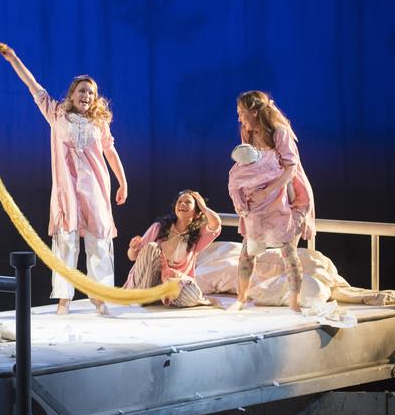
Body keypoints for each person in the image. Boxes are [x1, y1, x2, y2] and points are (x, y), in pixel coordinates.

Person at [0, 47, 128, 315]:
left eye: (91, 93)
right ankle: (64, 298)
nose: (86, 96)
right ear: (72, 94)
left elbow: (110, 151)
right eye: (82, 91)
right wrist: (13, 59)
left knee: (99, 239)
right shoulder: (57, 113)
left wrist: (122, 182)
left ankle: (100, 296)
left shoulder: (99, 123)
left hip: (95, 186)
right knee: (66, 240)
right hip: (66, 188)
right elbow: (34, 87)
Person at [227, 91, 315, 312]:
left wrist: (267, 191)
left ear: (254, 112)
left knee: (288, 250)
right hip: (257, 197)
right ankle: (241, 298)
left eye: (242, 112)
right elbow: (248, 165)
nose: (239, 117)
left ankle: (295, 301)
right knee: (248, 249)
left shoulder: (279, 132)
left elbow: (290, 169)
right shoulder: (248, 132)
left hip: (281, 193)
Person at [124, 190, 222, 307]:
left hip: (170, 283)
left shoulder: (198, 235)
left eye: (188, 202)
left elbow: (215, 223)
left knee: (193, 293)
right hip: (146, 280)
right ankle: (144, 297)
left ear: (197, 213)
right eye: (179, 202)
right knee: (152, 247)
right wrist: (133, 248)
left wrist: (203, 208)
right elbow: (133, 257)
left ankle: (161, 297)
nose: (182, 204)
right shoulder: (158, 227)